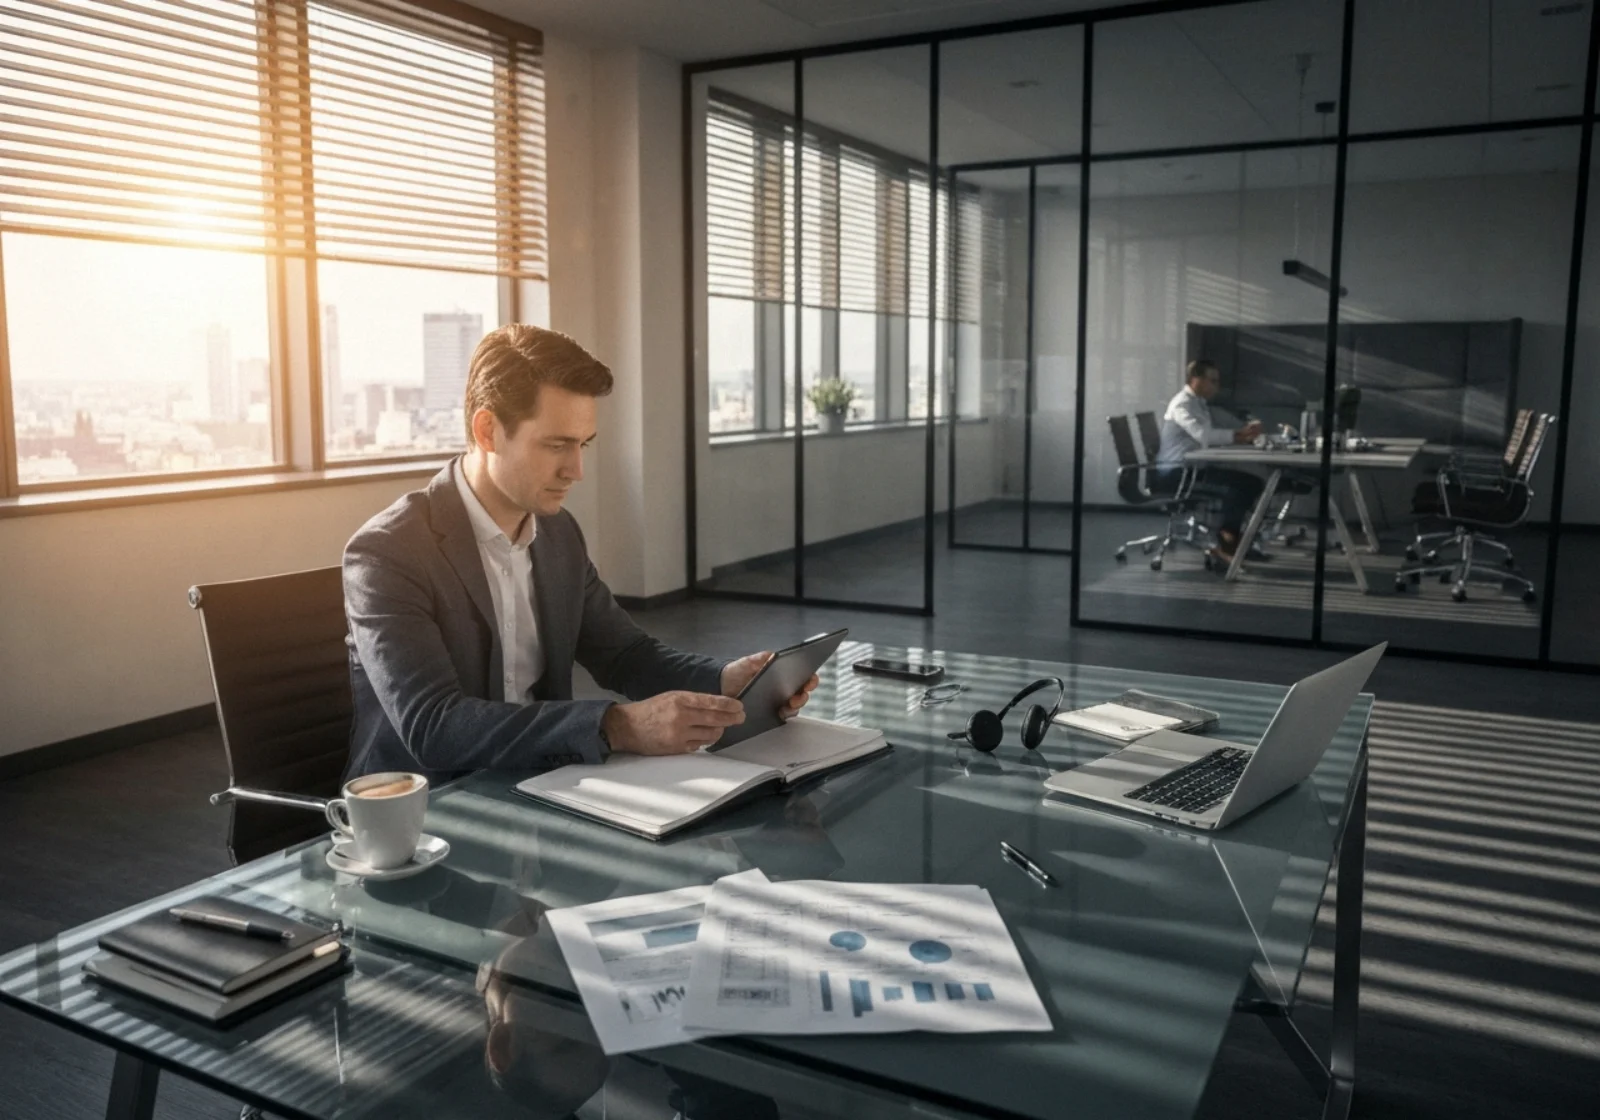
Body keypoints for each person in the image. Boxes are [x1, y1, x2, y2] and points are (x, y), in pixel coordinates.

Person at [342, 324, 818, 781]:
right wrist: (617, 726)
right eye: (556, 445)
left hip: (542, 783)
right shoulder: (388, 553)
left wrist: (724, 681)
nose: (577, 470)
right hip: (429, 811)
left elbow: (625, 655)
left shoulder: (557, 534)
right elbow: (434, 726)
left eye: (584, 444)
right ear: (487, 431)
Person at [1155, 358, 1264, 564]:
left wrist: (1241, 437)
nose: (1216, 386)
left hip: (1193, 470)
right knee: (1240, 488)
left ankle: (1232, 540)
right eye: (1212, 381)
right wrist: (1239, 435)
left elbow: (1208, 438)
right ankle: (1227, 544)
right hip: (1176, 475)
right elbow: (1203, 435)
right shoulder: (1182, 405)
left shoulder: (1199, 404)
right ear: (1195, 379)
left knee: (1251, 483)